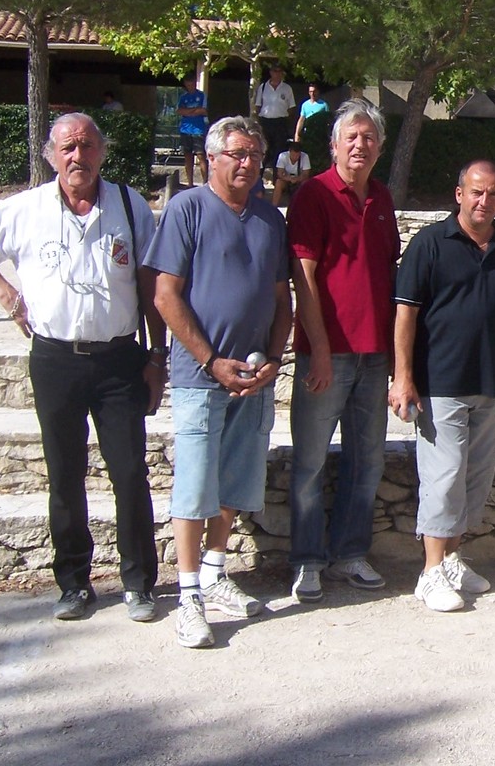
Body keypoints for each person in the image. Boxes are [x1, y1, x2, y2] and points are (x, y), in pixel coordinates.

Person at [0, 113, 165, 622]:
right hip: (55, 360)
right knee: (65, 476)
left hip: (119, 358)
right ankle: (73, 583)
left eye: (88, 146)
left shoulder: (128, 204)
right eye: (68, 147)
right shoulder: (23, 209)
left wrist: (157, 355)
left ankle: (139, 582)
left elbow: (148, 283)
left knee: (130, 473)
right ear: (51, 155)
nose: (79, 157)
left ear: (102, 152)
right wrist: (9, 296)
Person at [146, 116, 292, 647]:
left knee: (232, 481)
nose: (248, 163)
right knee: (194, 485)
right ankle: (188, 596)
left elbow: (281, 301)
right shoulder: (187, 209)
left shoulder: (270, 218)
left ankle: (214, 572)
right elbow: (166, 295)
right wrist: (211, 361)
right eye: (236, 153)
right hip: (200, 377)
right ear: (212, 158)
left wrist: (274, 358)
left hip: (253, 377)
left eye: (255, 154)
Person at [388, 161, 495, 612]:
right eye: (477, 192)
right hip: (438, 382)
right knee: (443, 480)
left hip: (484, 381)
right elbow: (405, 313)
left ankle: (453, 559)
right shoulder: (428, 244)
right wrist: (403, 377)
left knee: (473, 481)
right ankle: (429, 572)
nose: (485, 201)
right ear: (459, 193)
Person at [286, 101, 400, 604]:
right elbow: (304, 277)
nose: (361, 145)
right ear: (333, 145)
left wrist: (399, 358)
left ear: (380, 146)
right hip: (326, 356)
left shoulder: (382, 197)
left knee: (367, 460)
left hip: (375, 356)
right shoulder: (313, 195)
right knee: (310, 462)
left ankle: (350, 553)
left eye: (369, 137)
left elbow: (390, 277)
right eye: (351, 137)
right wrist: (321, 350)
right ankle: (308, 560)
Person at [254, 64, 296, 175]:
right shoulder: (263, 87)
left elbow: (291, 107)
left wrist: (286, 122)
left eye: (279, 71)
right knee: (264, 150)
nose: (277, 74)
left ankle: (277, 181)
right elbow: (258, 106)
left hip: (280, 123)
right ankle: (258, 180)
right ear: (271, 72)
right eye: (274, 71)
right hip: (265, 122)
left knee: (279, 152)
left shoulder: (287, 88)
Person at [176, 73, 208, 188]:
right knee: (187, 157)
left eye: (191, 84)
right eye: (187, 85)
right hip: (185, 129)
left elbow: (203, 110)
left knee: (201, 156)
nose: (190, 87)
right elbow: (179, 111)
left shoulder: (202, 95)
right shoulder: (183, 97)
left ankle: (205, 183)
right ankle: (190, 183)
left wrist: (188, 111)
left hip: (198, 129)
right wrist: (194, 111)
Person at [272, 140, 312, 206]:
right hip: (286, 179)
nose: (295, 157)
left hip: (299, 179)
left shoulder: (305, 157)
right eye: (293, 155)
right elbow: (279, 173)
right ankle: (274, 206)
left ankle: (305, 205)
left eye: (297, 155)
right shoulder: (282, 156)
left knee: (306, 183)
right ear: (289, 151)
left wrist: (297, 179)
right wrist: (289, 179)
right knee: (278, 183)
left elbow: (306, 174)